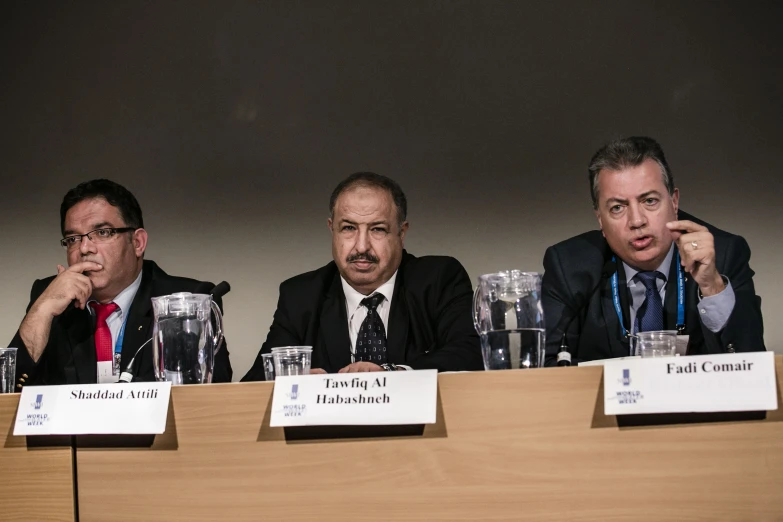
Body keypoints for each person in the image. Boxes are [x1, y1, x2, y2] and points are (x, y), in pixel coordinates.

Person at [542, 136, 764, 364]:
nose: (637, 221)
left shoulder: (721, 255)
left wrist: (712, 287)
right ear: (600, 218)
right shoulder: (569, 266)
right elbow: (544, 367)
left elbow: (752, 364)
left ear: (674, 202)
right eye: (618, 207)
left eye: (649, 201)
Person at [242, 172, 482, 379]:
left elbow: (471, 354)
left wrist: (393, 374)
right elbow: (256, 382)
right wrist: (292, 379)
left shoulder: (438, 280)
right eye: (348, 228)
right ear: (331, 229)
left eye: (377, 229)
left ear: (401, 233)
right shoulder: (301, 296)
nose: (361, 247)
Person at [9, 179, 233, 387]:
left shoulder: (185, 300)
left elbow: (211, 388)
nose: (85, 248)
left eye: (103, 232)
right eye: (73, 239)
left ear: (137, 242)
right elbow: (10, 387)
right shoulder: (51, 298)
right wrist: (43, 308)